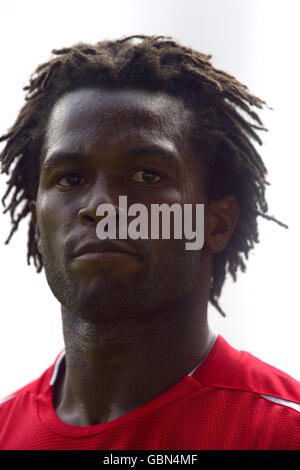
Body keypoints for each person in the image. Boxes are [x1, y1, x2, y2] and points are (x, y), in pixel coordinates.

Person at [0, 35, 299, 450]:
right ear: (37, 224)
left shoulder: (283, 432)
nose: (100, 207)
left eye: (146, 175)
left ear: (215, 223)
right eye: (70, 178)